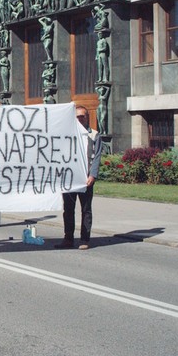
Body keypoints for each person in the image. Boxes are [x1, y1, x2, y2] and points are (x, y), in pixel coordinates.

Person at [55, 105, 103, 250]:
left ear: (87, 117)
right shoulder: (66, 134)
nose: (79, 119)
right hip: (69, 179)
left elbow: (97, 157)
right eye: (77, 117)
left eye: (82, 116)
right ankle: (68, 238)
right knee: (68, 209)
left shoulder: (94, 135)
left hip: (86, 179)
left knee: (86, 210)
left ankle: (84, 239)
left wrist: (93, 175)